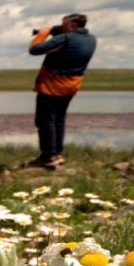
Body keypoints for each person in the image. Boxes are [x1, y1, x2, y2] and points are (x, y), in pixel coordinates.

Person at [27, 13, 97, 168]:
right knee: (58, 120)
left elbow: (35, 49)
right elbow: (67, 40)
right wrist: (56, 30)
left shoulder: (66, 38)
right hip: (71, 86)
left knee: (45, 121)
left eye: (64, 24)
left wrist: (44, 33)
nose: (61, 26)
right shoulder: (91, 39)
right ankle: (57, 153)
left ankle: (48, 156)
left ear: (72, 26)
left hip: (52, 86)